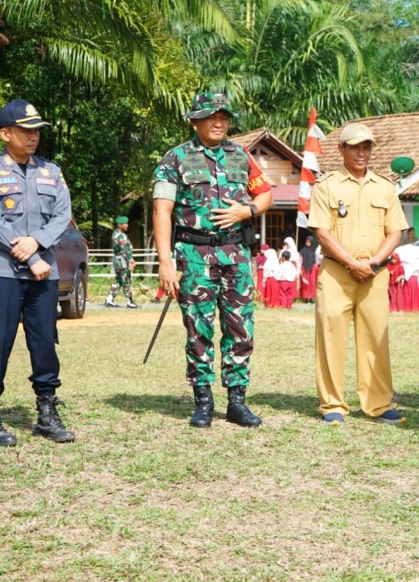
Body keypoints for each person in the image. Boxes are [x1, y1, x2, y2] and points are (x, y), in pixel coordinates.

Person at [153, 92, 273, 428]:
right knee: (198, 328)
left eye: (223, 116)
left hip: (235, 254)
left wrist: (245, 210)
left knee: (240, 327)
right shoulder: (175, 158)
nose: (219, 122)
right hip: (193, 256)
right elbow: (162, 210)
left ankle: (237, 402)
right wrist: (165, 261)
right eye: (210, 116)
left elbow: (266, 195)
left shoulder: (240, 155)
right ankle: (203, 401)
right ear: (195, 120)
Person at [0, 98, 76, 446]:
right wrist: (32, 256)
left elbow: (62, 216)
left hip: (43, 275)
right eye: (25, 130)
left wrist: (39, 242)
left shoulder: (52, 171)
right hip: (2, 272)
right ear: (5, 133)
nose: (33, 137)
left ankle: (47, 410)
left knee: (45, 342)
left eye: (36, 131)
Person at [308, 122, 407, 425]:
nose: (362, 153)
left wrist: (374, 261)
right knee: (331, 337)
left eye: (367, 147)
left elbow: (396, 231)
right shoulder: (327, 186)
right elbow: (321, 232)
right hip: (338, 272)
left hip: (375, 274)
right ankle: (332, 405)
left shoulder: (385, 187)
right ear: (342, 149)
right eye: (355, 147)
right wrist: (352, 262)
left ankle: (378, 404)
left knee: (376, 338)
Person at [105, 215, 139, 308]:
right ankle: (129, 301)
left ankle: (109, 299)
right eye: (125, 224)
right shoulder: (120, 236)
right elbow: (124, 250)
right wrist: (129, 262)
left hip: (118, 259)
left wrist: (131, 259)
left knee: (119, 280)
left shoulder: (115, 233)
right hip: (122, 261)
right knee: (126, 280)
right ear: (120, 225)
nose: (127, 225)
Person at [298, 235, 318, 300]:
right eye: (307, 242)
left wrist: (315, 266)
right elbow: (300, 259)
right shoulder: (303, 249)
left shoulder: (314, 250)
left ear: (312, 242)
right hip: (304, 268)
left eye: (309, 242)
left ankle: (312, 297)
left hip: (312, 268)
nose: (307, 243)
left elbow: (317, 259)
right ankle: (305, 297)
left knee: (312, 283)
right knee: (305, 283)